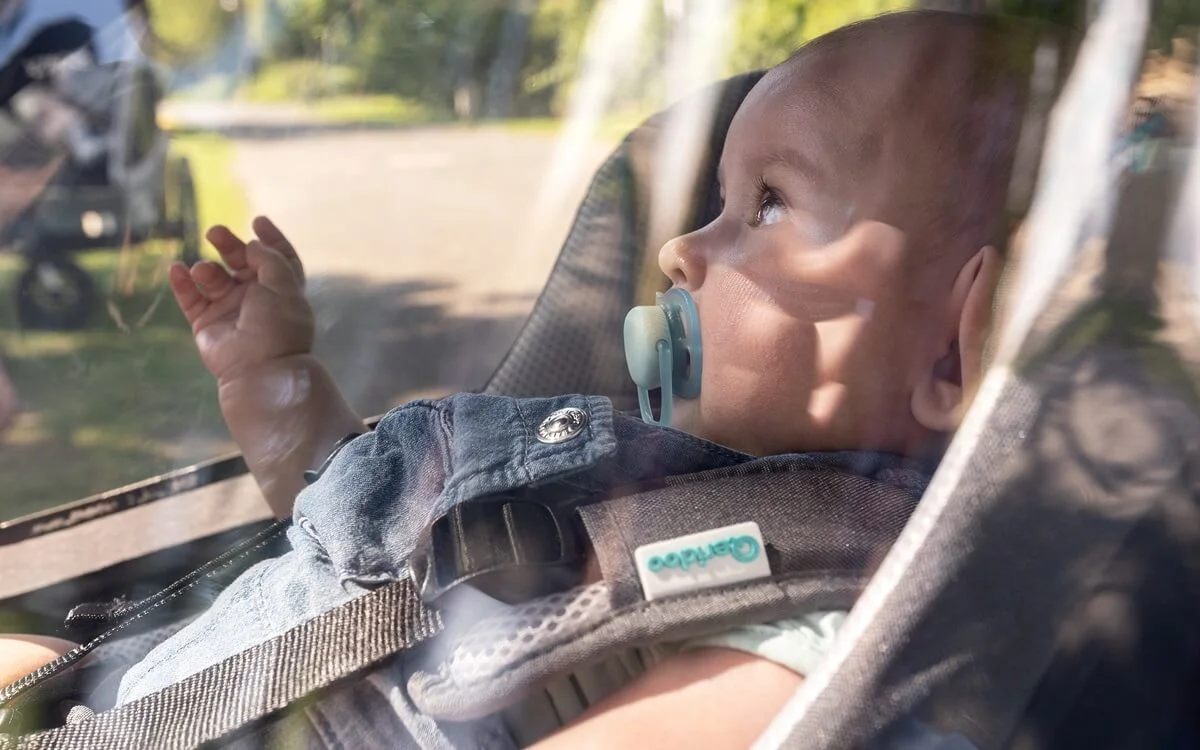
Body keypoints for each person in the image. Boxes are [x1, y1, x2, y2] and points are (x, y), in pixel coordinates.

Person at [0, 10, 1027, 746]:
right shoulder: (650, 475)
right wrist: (275, 377)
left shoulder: (826, 623)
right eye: (717, 199)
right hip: (153, 687)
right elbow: (375, 566)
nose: (679, 250)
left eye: (767, 204)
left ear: (950, 353)